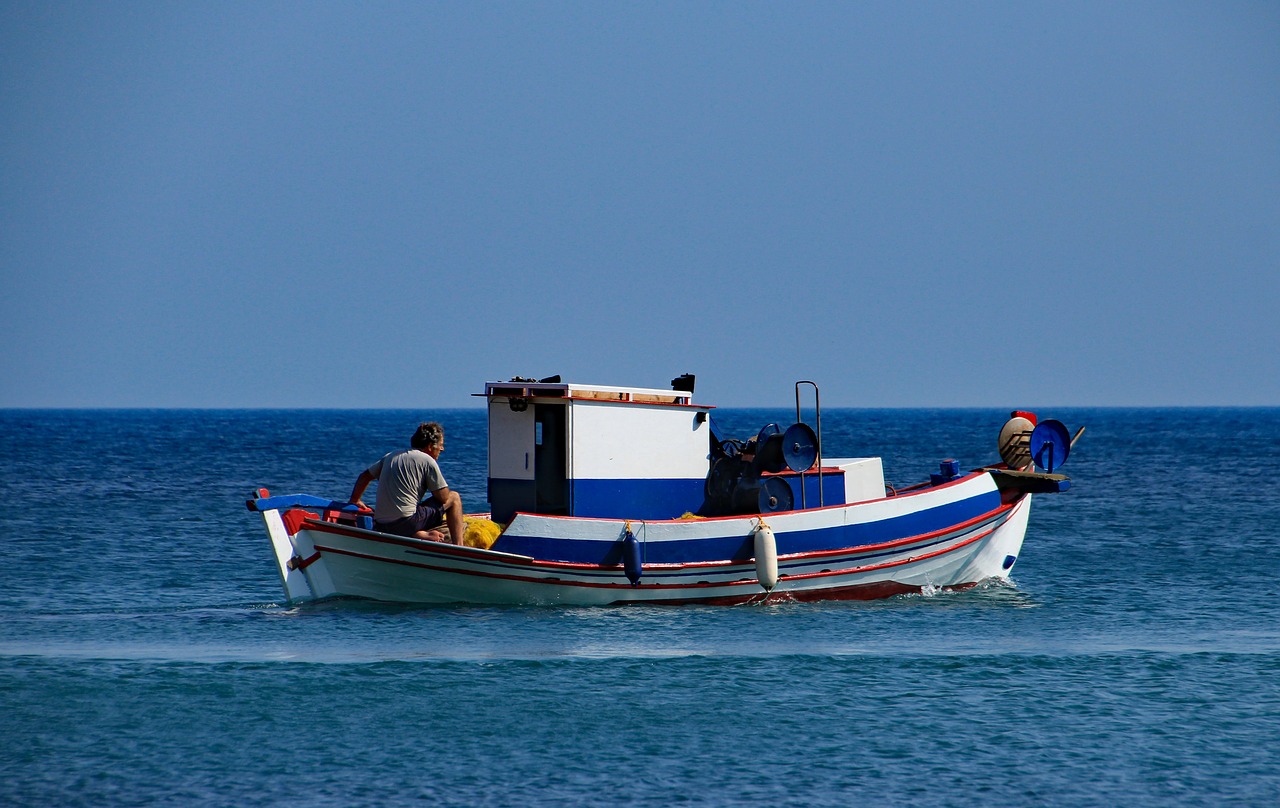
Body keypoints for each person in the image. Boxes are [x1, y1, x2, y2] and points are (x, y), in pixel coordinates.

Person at [348, 422, 465, 544]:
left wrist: (355, 499)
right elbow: (443, 497)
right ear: (430, 446)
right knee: (454, 497)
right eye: (440, 445)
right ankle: (460, 546)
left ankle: (417, 534)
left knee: (411, 509)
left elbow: (364, 476)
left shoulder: (391, 456)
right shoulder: (428, 461)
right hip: (406, 522)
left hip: (381, 525)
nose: (442, 449)